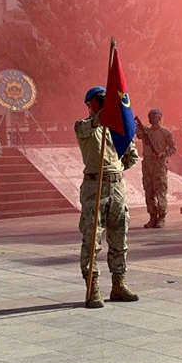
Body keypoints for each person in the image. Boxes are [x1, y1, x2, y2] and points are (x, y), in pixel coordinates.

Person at [76, 86, 140, 309]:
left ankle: (118, 284)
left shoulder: (116, 130)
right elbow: (88, 127)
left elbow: (132, 156)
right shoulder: (84, 126)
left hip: (116, 187)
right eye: (99, 101)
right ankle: (92, 287)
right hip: (94, 188)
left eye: (106, 101)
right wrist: (102, 116)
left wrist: (115, 169)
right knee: (92, 239)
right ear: (89, 105)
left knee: (119, 237)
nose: (103, 104)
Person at [139, 109, 176, 229]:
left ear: (159, 118)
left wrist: (163, 154)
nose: (151, 119)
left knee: (160, 191)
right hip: (147, 164)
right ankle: (152, 216)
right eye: (150, 117)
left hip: (159, 164)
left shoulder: (165, 132)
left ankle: (161, 217)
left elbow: (173, 148)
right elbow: (136, 131)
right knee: (149, 191)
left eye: (154, 117)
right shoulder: (145, 131)